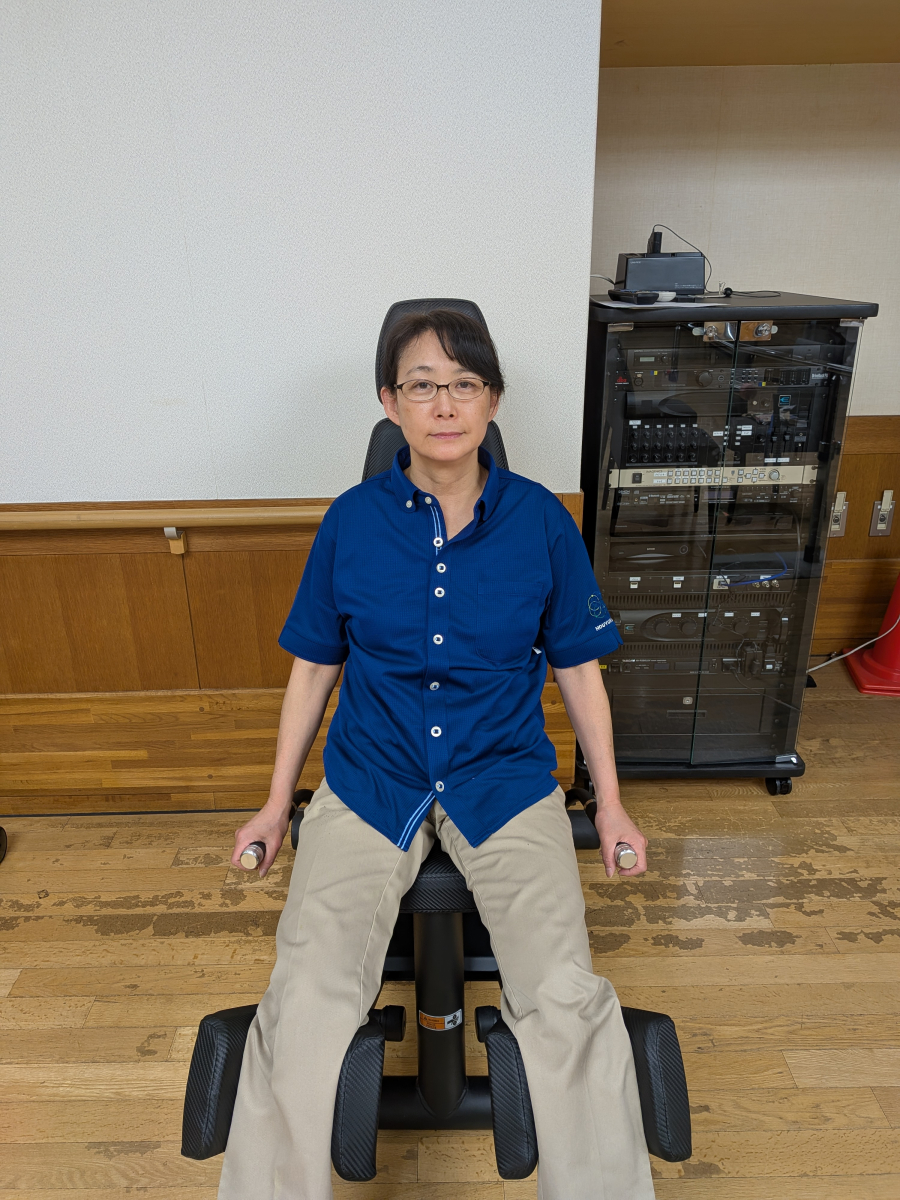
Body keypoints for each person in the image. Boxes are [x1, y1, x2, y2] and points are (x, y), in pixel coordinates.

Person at [218, 309, 655, 1200]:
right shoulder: (350, 522)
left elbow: (579, 671)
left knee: (565, 1000)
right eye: (422, 385)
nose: (444, 404)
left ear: (492, 399)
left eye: (464, 384)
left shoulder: (541, 522)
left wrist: (610, 804)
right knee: (304, 1000)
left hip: (505, 781)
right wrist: (274, 803)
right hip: (371, 780)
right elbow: (314, 669)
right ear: (391, 403)